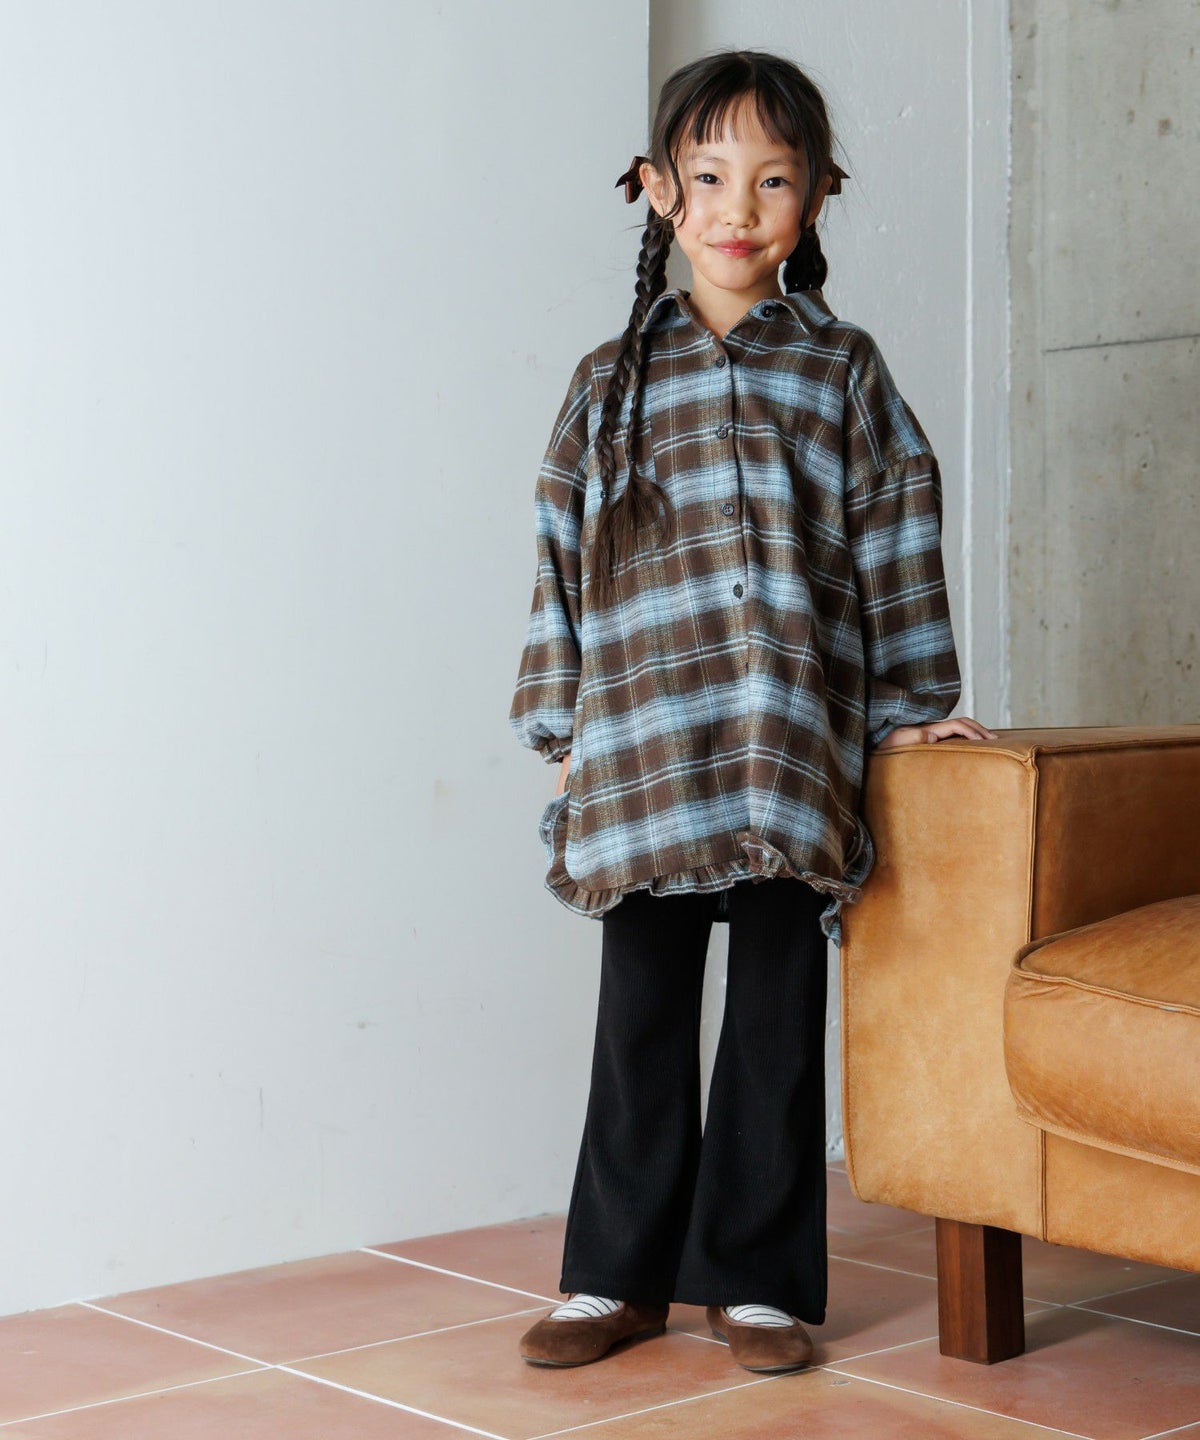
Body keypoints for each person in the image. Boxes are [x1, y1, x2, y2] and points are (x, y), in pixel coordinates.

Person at [507, 48, 996, 1375]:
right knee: (641, 1016)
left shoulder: (841, 373)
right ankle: (612, 1276)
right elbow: (559, 556)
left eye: (774, 181)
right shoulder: (608, 382)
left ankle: (759, 1280)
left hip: (791, 752)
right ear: (658, 189)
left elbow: (897, 533)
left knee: (777, 1016)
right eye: (711, 176)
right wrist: (562, 729)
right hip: (646, 752)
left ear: (818, 195)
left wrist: (909, 709)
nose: (739, 207)